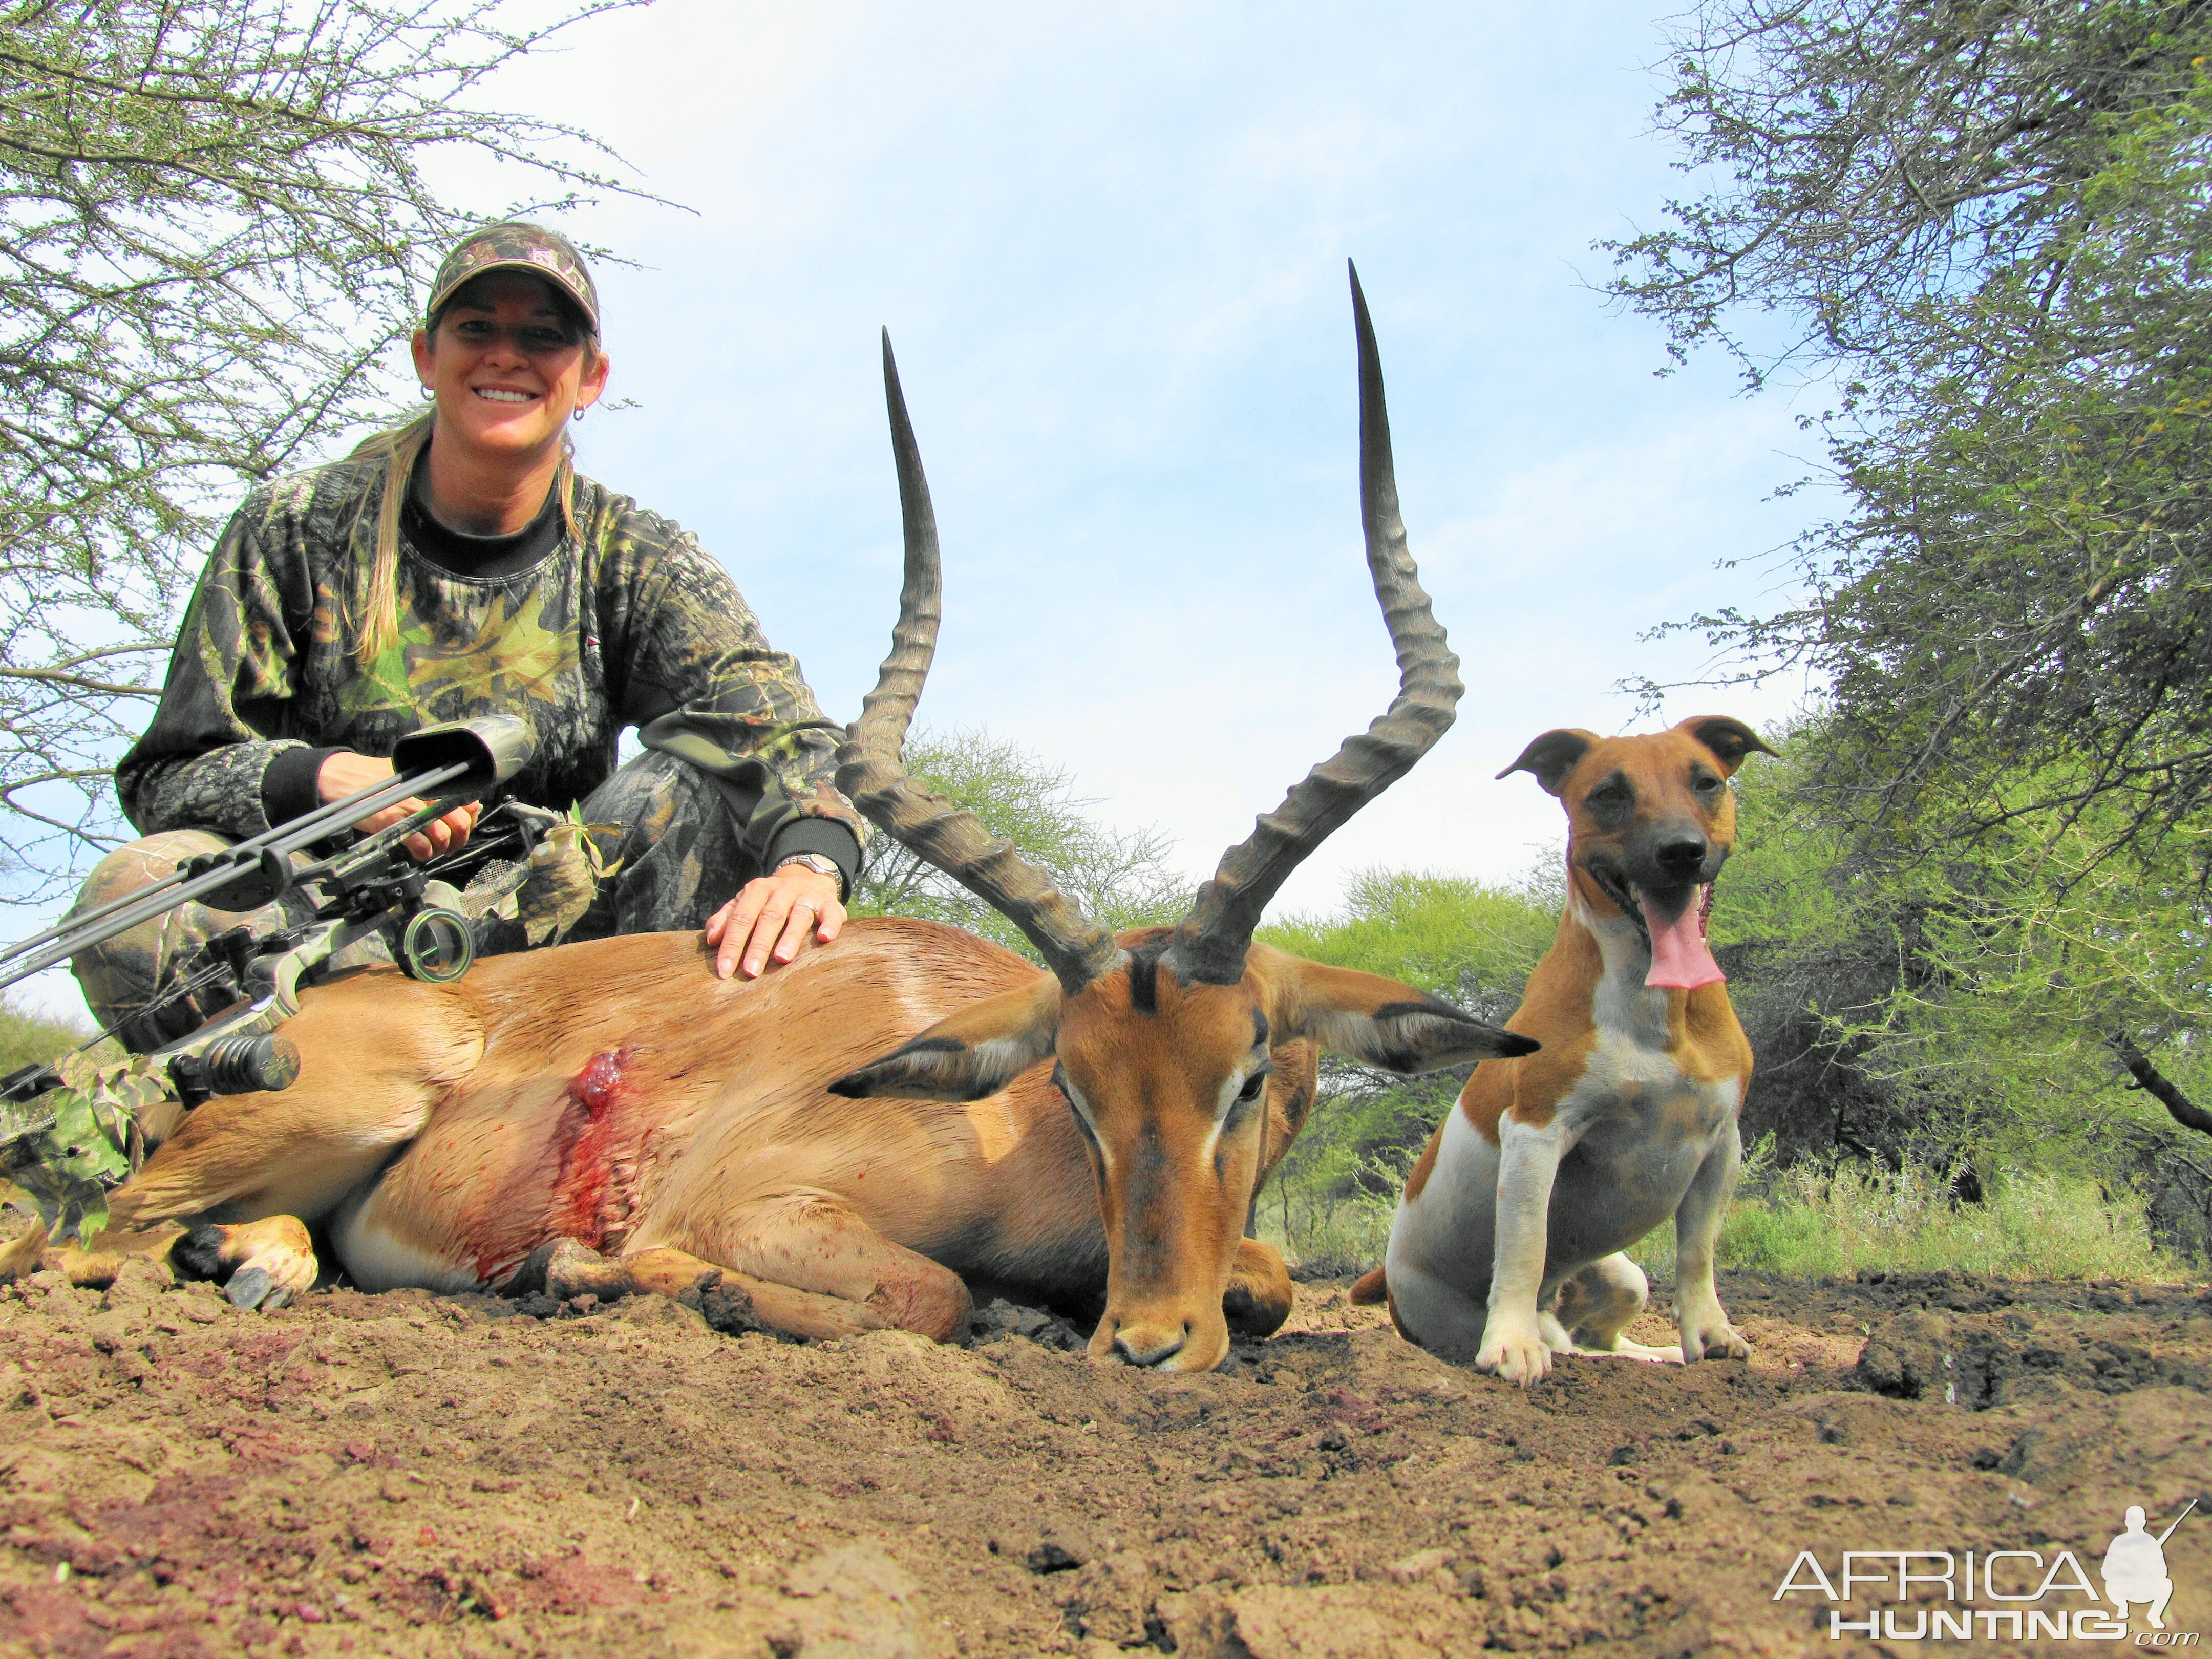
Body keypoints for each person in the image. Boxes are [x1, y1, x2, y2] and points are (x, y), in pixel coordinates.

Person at [71, 222, 865, 1051]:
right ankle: (249, 1133)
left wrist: (811, 866)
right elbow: (166, 776)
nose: (506, 357)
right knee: (135, 896)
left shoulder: (634, 555)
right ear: (427, 356)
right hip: (327, 931)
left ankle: (637, 1109)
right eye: (477, 329)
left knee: (696, 784)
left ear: (590, 378)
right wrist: (321, 779)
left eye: (543, 337)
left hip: (549, 939)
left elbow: (788, 739)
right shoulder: (296, 527)